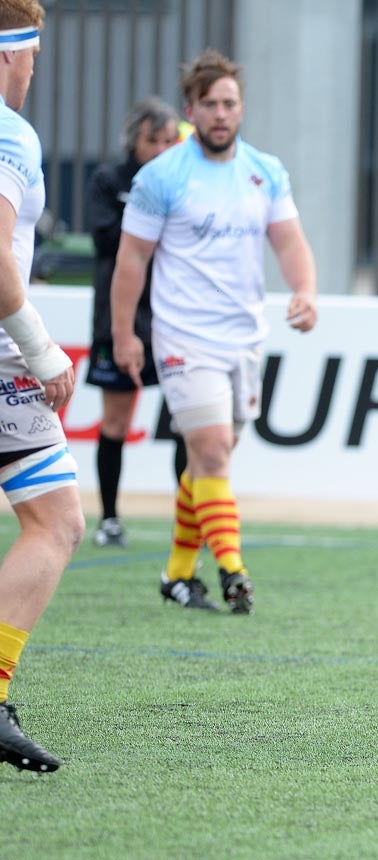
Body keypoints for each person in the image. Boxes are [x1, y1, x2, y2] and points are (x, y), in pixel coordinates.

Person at [110, 48, 317, 614]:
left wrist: (305, 290)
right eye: (210, 104)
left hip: (244, 336)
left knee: (209, 460)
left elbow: (290, 242)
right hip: (182, 337)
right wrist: (124, 334)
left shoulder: (264, 170)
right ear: (190, 110)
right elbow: (131, 261)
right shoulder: (161, 176)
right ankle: (233, 568)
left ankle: (177, 574)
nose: (221, 114)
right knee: (212, 453)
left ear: (241, 108)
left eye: (229, 104)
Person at [0, 0, 86, 772]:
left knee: (52, 516)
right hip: (2, 360)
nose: (32, 72)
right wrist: (44, 351)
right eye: (32, 57)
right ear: (7, 54)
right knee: (55, 523)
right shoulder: (7, 132)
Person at [85, 96, 187, 548]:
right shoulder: (110, 180)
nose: (163, 149)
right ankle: (109, 518)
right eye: (153, 141)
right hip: (120, 318)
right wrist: (146, 216)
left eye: (170, 141)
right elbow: (105, 239)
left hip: (174, 316)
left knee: (187, 419)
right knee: (116, 421)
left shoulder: (186, 184)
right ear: (135, 142)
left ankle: (188, 521)